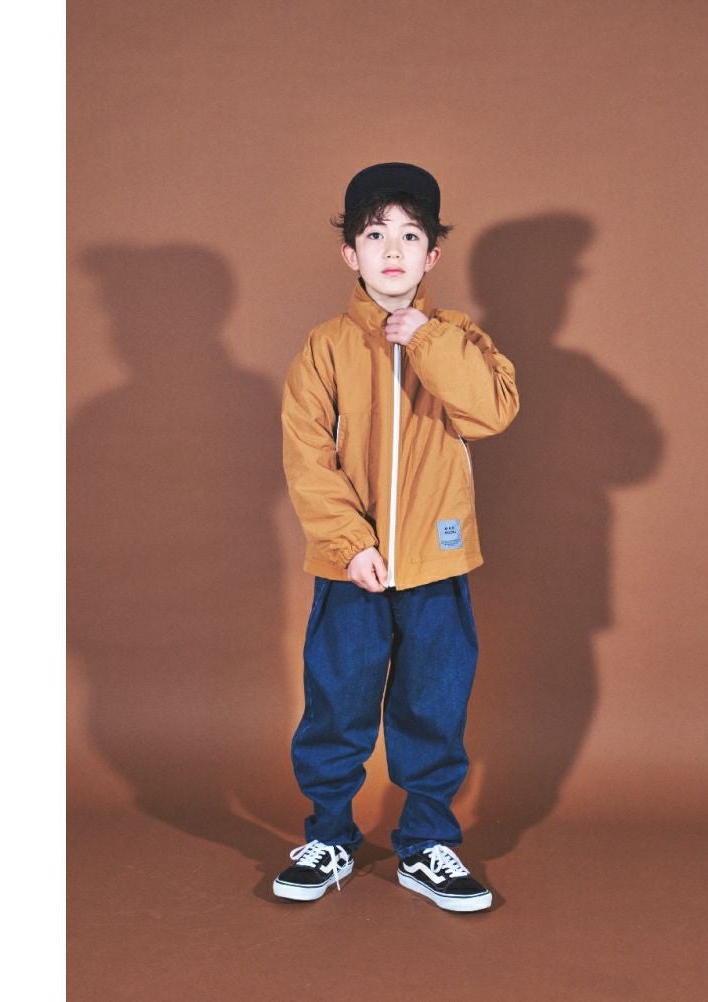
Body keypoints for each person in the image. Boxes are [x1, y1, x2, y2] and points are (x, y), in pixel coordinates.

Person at [275, 163, 519, 912]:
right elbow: (307, 458)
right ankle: (329, 836)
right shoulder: (324, 348)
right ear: (350, 253)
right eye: (375, 234)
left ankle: (426, 845)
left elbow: (492, 413)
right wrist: (351, 544)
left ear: (432, 255)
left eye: (410, 236)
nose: (392, 250)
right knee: (336, 705)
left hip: (437, 564)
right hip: (352, 570)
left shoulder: (460, 338)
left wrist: (429, 340)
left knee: (433, 707)